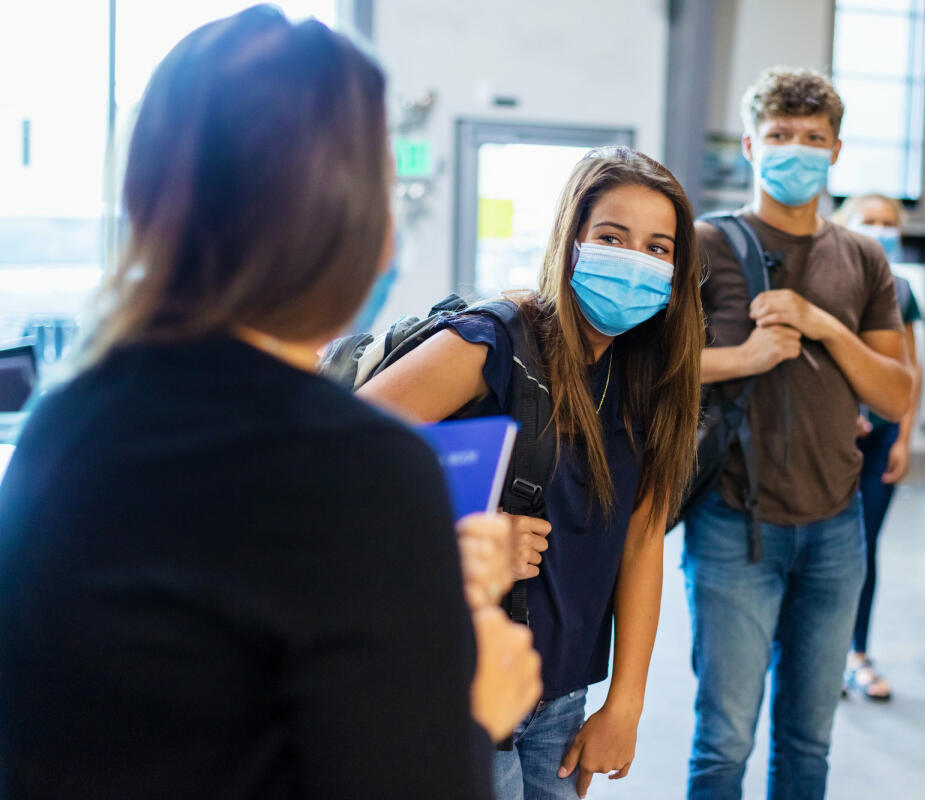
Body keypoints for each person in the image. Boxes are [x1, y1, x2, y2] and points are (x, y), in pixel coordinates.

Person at [0, 8, 540, 798]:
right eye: (386, 183)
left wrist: (404, 589)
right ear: (344, 221)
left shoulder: (66, 419)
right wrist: (473, 705)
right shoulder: (358, 467)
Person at [359, 145, 704, 800]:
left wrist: (624, 703)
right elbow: (333, 455)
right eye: (612, 237)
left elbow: (641, 543)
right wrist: (462, 529)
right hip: (463, 677)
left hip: (562, 697)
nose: (635, 260)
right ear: (572, 241)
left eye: (659, 247)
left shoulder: (653, 381)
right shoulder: (493, 342)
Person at [684, 67, 914, 799]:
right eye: (780, 136)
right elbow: (647, 370)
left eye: (812, 138)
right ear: (751, 144)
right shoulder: (705, 244)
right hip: (731, 522)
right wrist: (743, 358)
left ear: (836, 152)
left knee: (808, 744)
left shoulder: (864, 258)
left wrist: (824, 328)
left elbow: (896, 389)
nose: (796, 150)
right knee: (723, 741)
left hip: (835, 526)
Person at [832, 193, 925, 701]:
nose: (879, 228)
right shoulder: (825, 284)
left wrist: (905, 436)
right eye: (869, 221)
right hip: (829, 439)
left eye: (888, 223)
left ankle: (858, 654)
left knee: (864, 549)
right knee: (820, 550)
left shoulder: (902, 290)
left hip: (880, 440)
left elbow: (910, 369)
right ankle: (815, 657)